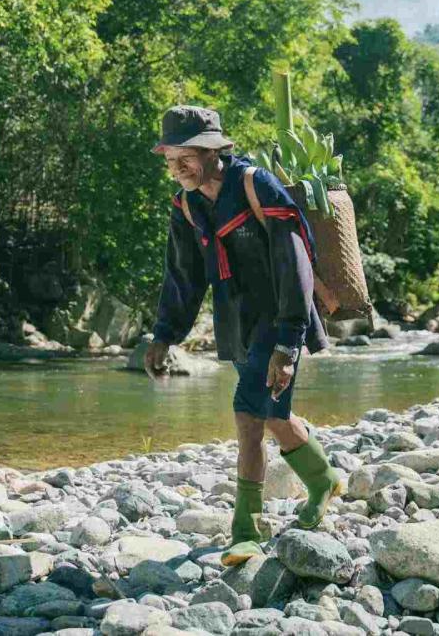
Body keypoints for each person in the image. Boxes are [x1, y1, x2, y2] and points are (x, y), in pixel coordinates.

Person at [143, 104, 342, 567]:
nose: (177, 169)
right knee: (272, 414)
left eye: (185, 157)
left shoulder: (254, 184)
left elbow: (294, 264)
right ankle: (323, 480)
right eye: (171, 160)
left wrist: (289, 342)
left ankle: (245, 531)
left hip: (279, 317)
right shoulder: (187, 206)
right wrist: (164, 335)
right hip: (236, 323)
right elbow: (183, 276)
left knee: (248, 416)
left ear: (213, 151)